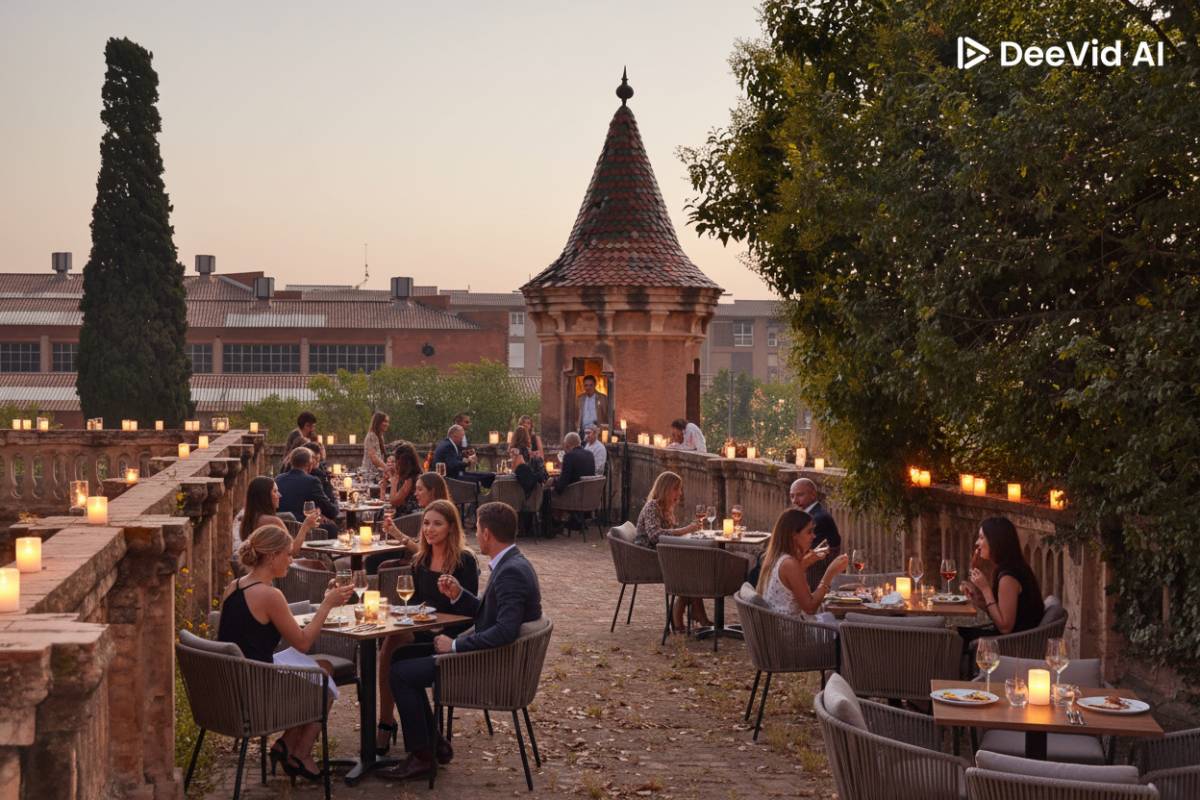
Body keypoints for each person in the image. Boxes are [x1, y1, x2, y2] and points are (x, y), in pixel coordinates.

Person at [383, 502, 542, 781]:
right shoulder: (511, 563)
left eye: (478, 529)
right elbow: (487, 612)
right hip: (485, 652)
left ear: (487, 534)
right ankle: (433, 743)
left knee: (401, 673)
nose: (476, 534)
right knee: (401, 657)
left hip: (488, 663)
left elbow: (504, 632)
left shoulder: (511, 572)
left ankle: (422, 756)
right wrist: (459, 594)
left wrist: (454, 646)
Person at [217, 525, 355, 780]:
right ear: (271, 557)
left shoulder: (234, 586)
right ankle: (299, 754)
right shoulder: (270, 595)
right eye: (287, 555)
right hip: (257, 688)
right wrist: (326, 604)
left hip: (235, 681)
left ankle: (286, 744)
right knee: (322, 684)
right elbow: (303, 643)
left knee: (323, 667)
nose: (291, 560)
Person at [374, 500, 480, 754]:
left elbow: (471, 611)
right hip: (424, 629)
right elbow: (419, 603)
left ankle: (392, 727)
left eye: (437, 524)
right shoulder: (421, 558)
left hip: (452, 636)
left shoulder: (464, 561)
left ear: (451, 528)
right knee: (391, 645)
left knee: (396, 658)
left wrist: (451, 600)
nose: (429, 530)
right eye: (426, 523)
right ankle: (418, 734)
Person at [634, 471, 707, 630]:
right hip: (648, 559)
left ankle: (689, 611)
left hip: (662, 554)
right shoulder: (652, 506)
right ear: (665, 489)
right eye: (676, 489)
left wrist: (686, 532)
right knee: (689, 569)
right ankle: (686, 612)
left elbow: (666, 536)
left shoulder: (666, 508)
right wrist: (684, 530)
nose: (679, 493)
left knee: (693, 565)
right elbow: (655, 536)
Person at [959, 517, 1044, 646]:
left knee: (951, 638)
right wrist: (977, 598)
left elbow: (1005, 627)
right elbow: (999, 612)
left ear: (995, 542)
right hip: (1011, 639)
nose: (977, 542)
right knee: (951, 633)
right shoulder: (1012, 565)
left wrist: (985, 589)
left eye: (982, 538)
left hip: (1013, 645)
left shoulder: (1009, 577)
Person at [756, 508, 850, 620]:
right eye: (809, 532)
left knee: (831, 619)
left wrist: (805, 562)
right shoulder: (789, 564)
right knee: (842, 624)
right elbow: (810, 608)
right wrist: (830, 573)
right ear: (794, 535)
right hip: (792, 632)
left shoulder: (777, 557)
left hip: (780, 627)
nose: (814, 536)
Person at [239, 475, 323, 557]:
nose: (279, 495)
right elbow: (292, 551)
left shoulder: (248, 520)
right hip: (277, 569)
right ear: (264, 496)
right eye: (275, 491)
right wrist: (305, 526)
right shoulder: (272, 521)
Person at [276, 447, 340, 537]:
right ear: (310, 465)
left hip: (280, 527)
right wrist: (336, 500)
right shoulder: (312, 481)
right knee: (332, 528)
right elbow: (331, 512)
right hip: (302, 529)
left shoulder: (278, 479)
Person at [789, 478, 841, 587]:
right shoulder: (810, 514)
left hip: (815, 574)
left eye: (800, 495)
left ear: (813, 495)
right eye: (792, 496)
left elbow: (805, 552)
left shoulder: (816, 518)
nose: (795, 501)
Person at [433, 424, 495, 488]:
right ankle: (480, 497)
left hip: (457, 474)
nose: (463, 439)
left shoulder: (449, 444)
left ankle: (491, 490)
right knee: (478, 479)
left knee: (489, 475)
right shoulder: (448, 446)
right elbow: (453, 465)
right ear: (454, 435)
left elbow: (454, 459)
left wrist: (466, 459)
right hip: (451, 478)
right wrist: (468, 462)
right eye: (462, 436)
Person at [381, 442, 423, 516]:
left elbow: (394, 502)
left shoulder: (411, 479)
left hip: (408, 519)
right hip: (403, 516)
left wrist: (393, 480)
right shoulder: (407, 476)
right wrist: (383, 487)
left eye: (396, 460)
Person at [362, 411, 389, 479]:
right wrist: (388, 469)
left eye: (388, 422)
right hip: (369, 475)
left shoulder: (380, 437)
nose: (387, 424)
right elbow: (374, 458)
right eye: (385, 421)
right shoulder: (371, 436)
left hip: (377, 473)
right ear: (378, 422)